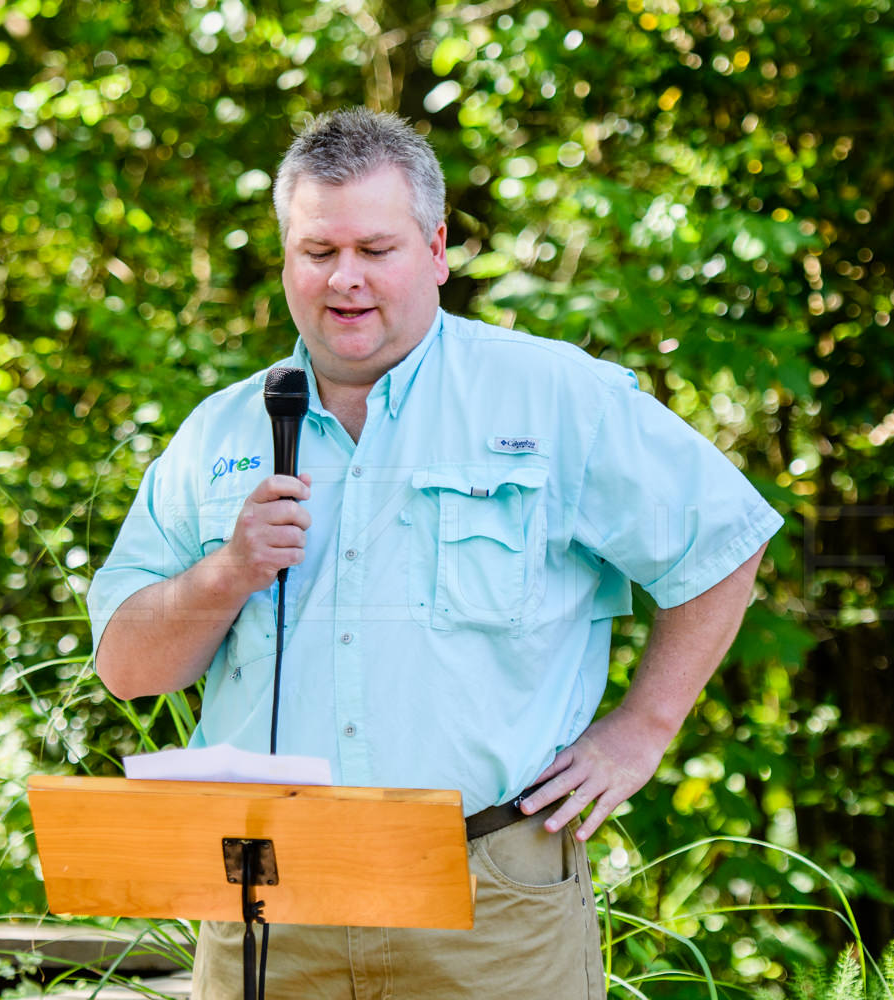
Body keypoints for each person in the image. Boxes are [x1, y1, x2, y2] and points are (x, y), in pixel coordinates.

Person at [87, 108, 781, 999]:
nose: (346, 280)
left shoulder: (554, 396)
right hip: (270, 906)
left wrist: (642, 732)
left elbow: (721, 541)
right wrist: (229, 570)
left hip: (489, 903)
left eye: (376, 250)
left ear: (438, 249)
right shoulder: (218, 431)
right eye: (317, 251)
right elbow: (128, 668)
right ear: (285, 258)